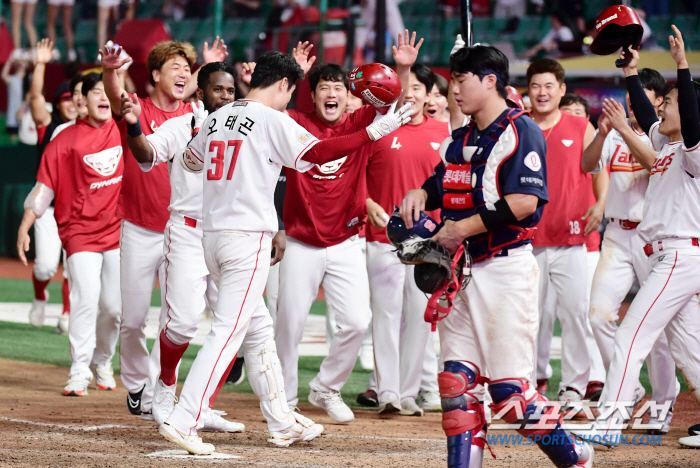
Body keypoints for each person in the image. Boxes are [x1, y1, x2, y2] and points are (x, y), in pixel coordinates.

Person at [160, 50, 411, 455]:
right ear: (283, 84)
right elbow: (317, 154)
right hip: (245, 239)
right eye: (290, 91)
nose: (289, 99)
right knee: (228, 331)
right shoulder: (271, 118)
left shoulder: (217, 116)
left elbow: (189, 160)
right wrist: (374, 132)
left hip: (213, 235)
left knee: (258, 331)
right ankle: (185, 416)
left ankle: (281, 419)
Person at [400, 43, 593, 468]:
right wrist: (421, 192)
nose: (453, 90)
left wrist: (458, 230)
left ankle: (575, 455)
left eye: (461, 80)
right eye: (452, 81)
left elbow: (524, 201)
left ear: (490, 82)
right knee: (456, 385)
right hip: (461, 273)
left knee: (511, 397)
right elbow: (443, 180)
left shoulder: (522, 131)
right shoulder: (463, 136)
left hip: (505, 270)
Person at [576, 27, 700, 447]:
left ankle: (608, 422)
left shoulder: (696, 151)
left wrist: (682, 65)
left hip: (680, 256)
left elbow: (691, 121)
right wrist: (631, 71)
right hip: (673, 256)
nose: (660, 108)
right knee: (690, 347)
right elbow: (647, 122)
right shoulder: (669, 146)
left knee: (630, 334)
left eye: (670, 102)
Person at [117, 59, 247, 433]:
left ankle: (201, 405)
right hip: (188, 232)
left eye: (230, 90)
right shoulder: (184, 124)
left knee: (234, 326)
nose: (225, 96)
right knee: (184, 321)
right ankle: (166, 384)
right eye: (218, 89)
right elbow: (145, 154)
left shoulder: (246, 128)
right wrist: (133, 124)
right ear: (200, 92)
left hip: (229, 235)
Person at [100, 38, 228, 419]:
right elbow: (116, 97)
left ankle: (157, 389)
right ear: (155, 75)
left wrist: (204, 67)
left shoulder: (195, 113)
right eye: (175, 67)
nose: (184, 74)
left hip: (183, 231)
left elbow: (206, 89)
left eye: (187, 70)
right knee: (133, 318)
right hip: (140, 227)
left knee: (173, 318)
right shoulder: (138, 107)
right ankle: (137, 382)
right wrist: (110, 72)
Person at [580, 68, 680, 430]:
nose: (631, 103)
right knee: (598, 315)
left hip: (654, 240)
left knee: (658, 332)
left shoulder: (665, 138)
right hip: (618, 236)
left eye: (647, 98)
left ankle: (663, 408)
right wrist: (603, 132)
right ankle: (632, 387)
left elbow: (655, 165)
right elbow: (586, 165)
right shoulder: (614, 133)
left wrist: (622, 129)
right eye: (629, 96)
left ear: (657, 103)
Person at [16, 72, 123, 396]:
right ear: (83, 100)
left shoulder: (124, 131)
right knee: (85, 300)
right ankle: (79, 371)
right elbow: (43, 189)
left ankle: (103, 361)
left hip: (119, 232)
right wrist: (25, 225)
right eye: (96, 93)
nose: (104, 98)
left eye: (108, 92)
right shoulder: (63, 139)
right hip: (79, 234)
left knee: (114, 308)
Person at [363, 63, 448, 416]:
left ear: (430, 95)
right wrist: (367, 203)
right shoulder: (379, 129)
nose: (410, 93)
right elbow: (355, 177)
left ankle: (409, 394)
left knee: (419, 318)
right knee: (385, 316)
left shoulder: (445, 133)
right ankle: (387, 392)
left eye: (418, 88)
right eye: (405, 86)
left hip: (427, 243)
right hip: (382, 238)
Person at [526, 58, 604, 415]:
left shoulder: (580, 123)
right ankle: (528, 382)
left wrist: (601, 203)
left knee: (575, 315)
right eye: (535, 86)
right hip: (528, 240)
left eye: (548, 86)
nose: (542, 93)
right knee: (530, 317)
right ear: (528, 91)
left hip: (572, 240)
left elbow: (596, 168)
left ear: (560, 90)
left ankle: (573, 387)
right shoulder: (521, 126)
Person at [26, 39, 78, 331]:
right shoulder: (49, 124)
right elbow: (35, 98)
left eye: (75, 98)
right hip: (47, 206)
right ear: (58, 102)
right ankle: (39, 294)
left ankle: (67, 315)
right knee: (46, 265)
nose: (71, 103)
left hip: (78, 208)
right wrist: (41, 63)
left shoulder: (90, 126)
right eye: (66, 98)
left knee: (75, 266)